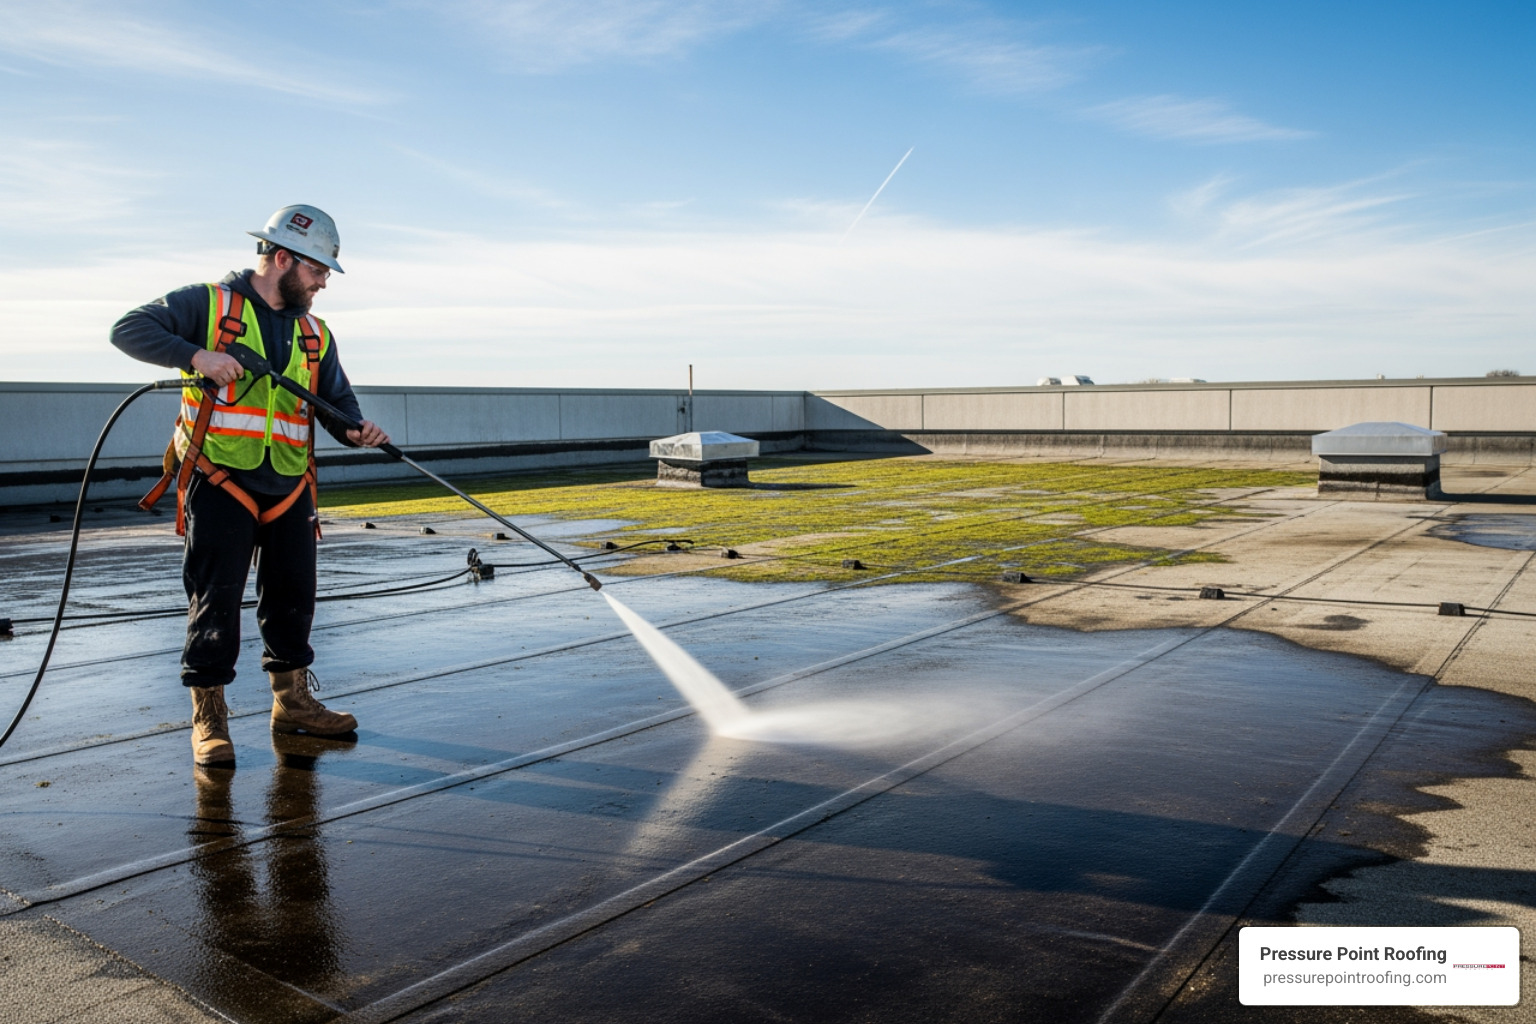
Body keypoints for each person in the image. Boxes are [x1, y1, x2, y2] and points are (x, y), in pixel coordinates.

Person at [111, 204, 390, 768]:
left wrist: (355, 429)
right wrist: (197, 355)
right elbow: (128, 329)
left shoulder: (315, 332)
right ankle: (209, 718)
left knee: (294, 598)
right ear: (282, 258)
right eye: (318, 270)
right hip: (220, 477)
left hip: (288, 483)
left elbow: (335, 401)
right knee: (215, 600)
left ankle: (292, 703)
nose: (323, 282)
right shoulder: (208, 304)